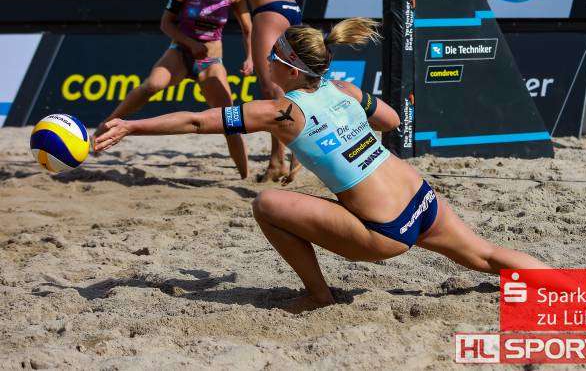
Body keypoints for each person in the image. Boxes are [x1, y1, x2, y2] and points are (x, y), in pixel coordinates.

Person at [94, 18, 549, 313]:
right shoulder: (344, 89)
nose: (266, 62)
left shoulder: (282, 112)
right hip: (422, 200)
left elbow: (197, 122)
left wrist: (131, 126)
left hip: (385, 231)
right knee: (487, 257)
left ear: (291, 70)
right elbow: (391, 120)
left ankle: (318, 295)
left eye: (272, 57)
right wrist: (353, 121)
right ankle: (572, 290)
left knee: (267, 204)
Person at [93, 0, 253, 178]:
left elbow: (248, 29)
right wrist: (191, 44)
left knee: (229, 119)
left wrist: (250, 58)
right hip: (181, 52)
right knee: (151, 85)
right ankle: (105, 127)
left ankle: (245, 177)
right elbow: (166, 24)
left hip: (210, 60)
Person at [228, 0, 303, 183]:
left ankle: (294, 154)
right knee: (286, 89)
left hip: (270, 12)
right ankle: (279, 160)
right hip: (290, 9)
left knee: (272, 90)